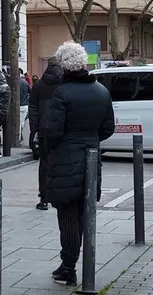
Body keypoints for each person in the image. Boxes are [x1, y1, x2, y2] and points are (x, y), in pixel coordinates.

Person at [46, 41, 114, 286]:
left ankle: (69, 266)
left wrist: (53, 146)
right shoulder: (102, 91)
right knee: (84, 213)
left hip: (66, 160)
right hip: (91, 160)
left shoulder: (62, 93)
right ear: (84, 63)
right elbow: (108, 128)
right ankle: (72, 264)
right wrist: (90, 140)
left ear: (64, 66)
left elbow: (53, 131)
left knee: (67, 215)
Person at [29, 57, 63, 211]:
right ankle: (60, 196)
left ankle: (44, 198)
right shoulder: (64, 83)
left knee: (44, 164)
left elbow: (33, 109)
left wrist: (34, 130)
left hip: (43, 130)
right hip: (61, 130)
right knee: (62, 163)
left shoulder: (38, 85)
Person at [20, 72, 31, 143]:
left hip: (18, 105)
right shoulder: (26, 83)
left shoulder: (13, 82)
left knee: (19, 123)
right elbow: (31, 92)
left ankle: (19, 138)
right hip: (25, 105)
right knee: (22, 122)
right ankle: (21, 137)